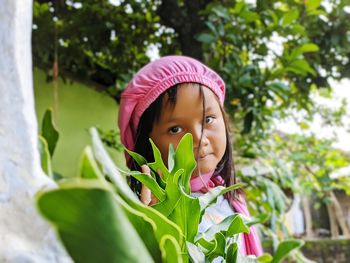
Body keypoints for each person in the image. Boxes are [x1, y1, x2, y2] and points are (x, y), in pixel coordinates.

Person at [118, 55, 263, 256]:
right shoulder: (139, 216)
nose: (198, 137)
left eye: (208, 119)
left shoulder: (231, 199)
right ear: (146, 145)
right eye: (175, 129)